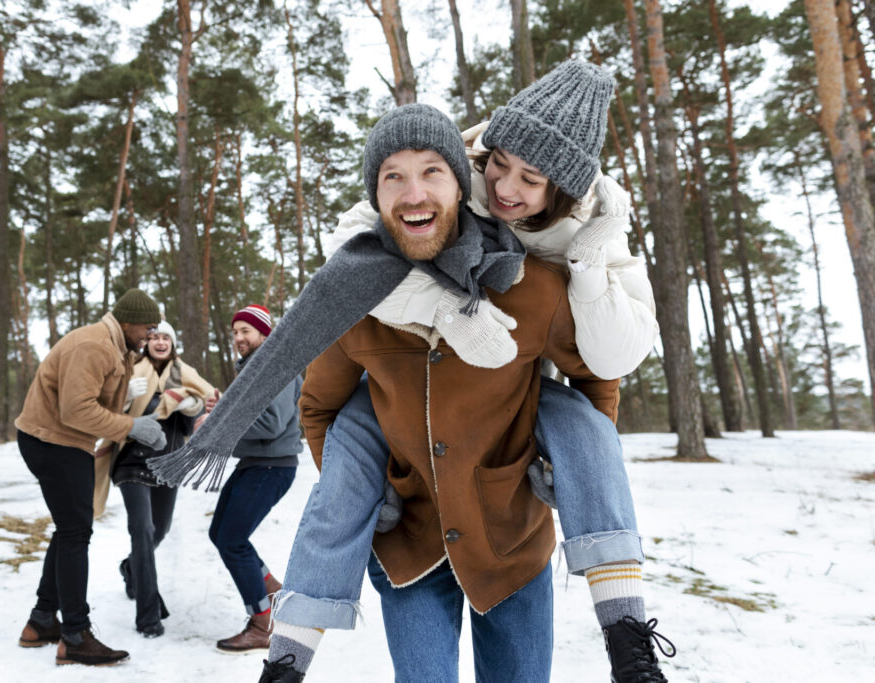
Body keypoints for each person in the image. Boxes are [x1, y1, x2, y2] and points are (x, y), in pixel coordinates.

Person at [265, 60, 673, 683]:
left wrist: (560, 468)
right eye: (394, 180)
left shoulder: (538, 287)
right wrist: (363, 490)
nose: (415, 193)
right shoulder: (360, 299)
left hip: (510, 539)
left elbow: (596, 379)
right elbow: (318, 408)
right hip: (410, 542)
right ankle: (289, 656)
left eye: (433, 174)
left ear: (458, 187)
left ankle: (624, 626)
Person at [14, 288, 165, 667]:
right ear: (128, 322)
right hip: (54, 442)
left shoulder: (116, 348)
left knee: (70, 529)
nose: (150, 336)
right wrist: (131, 427)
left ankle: (42, 620)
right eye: (147, 328)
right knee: (76, 533)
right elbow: (76, 410)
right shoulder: (95, 346)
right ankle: (75, 635)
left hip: (65, 443)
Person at [95, 320, 215, 638]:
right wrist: (123, 396)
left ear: (173, 343)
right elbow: (105, 410)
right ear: (146, 343)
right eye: (155, 337)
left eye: (166, 337)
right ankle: (148, 617)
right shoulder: (129, 371)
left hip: (169, 465)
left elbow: (198, 417)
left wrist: (193, 407)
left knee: (157, 532)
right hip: (132, 462)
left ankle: (131, 567)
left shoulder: (185, 376)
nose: (160, 342)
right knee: (142, 531)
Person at [207, 304, 302, 654]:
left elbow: (272, 424)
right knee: (221, 533)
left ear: (265, 333)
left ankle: (262, 623)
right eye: (235, 333)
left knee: (232, 541)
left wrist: (219, 424)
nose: (238, 339)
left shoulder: (274, 365)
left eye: (246, 331)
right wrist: (221, 413)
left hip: (272, 466)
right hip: (254, 464)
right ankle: (272, 592)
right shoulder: (254, 369)